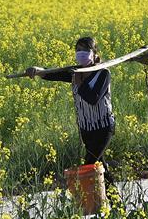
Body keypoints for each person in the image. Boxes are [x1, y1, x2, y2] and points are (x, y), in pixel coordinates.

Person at [26, 36, 115, 173]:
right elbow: (53, 74)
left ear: (94, 53)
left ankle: (87, 193)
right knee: (98, 164)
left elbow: (93, 98)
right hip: (86, 128)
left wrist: (80, 83)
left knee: (89, 164)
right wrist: (37, 70)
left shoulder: (103, 73)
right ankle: (111, 193)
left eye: (85, 50)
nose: (81, 53)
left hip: (103, 127)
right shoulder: (75, 72)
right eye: (78, 50)